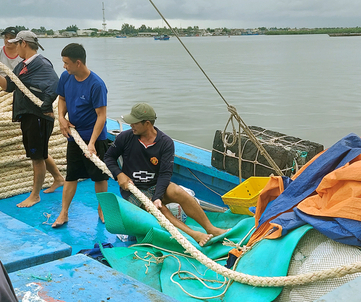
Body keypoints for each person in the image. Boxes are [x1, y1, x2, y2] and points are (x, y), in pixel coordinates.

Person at [104, 103, 228, 246]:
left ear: (147, 123)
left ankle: (210, 228)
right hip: (134, 190)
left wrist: (157, 196)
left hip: (156, 186)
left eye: (134, 122)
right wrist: (119, 174)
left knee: (177, 191)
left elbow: (165, 173)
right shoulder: (125, 137)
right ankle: (194, 235)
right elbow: (108, 158)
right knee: (159, 208)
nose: (131, 125)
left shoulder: (165, 142)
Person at [0, 30, 63, 207]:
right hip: (28, 115)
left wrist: (46, 107)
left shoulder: (41, 64)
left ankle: (35, 195)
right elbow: (7, 86)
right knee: (39, 151)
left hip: (38, 117)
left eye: (17, 43)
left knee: (37, 157)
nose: (15, 46)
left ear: (24, 43)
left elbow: (55, 84)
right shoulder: (22, 65)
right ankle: (58, 178)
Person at [51, 43, 109, 228]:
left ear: (78, 63)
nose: (64, 66)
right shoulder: (66, 78)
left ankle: (102, 209)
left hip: (94, 137)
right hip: (74, 136)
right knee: (71, 175)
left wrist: (91, 143)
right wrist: (61, 117)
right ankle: (64, 212)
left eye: (66, 63)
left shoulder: (96, 85)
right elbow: (62, 98)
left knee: (99, 177)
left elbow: (101, 116)